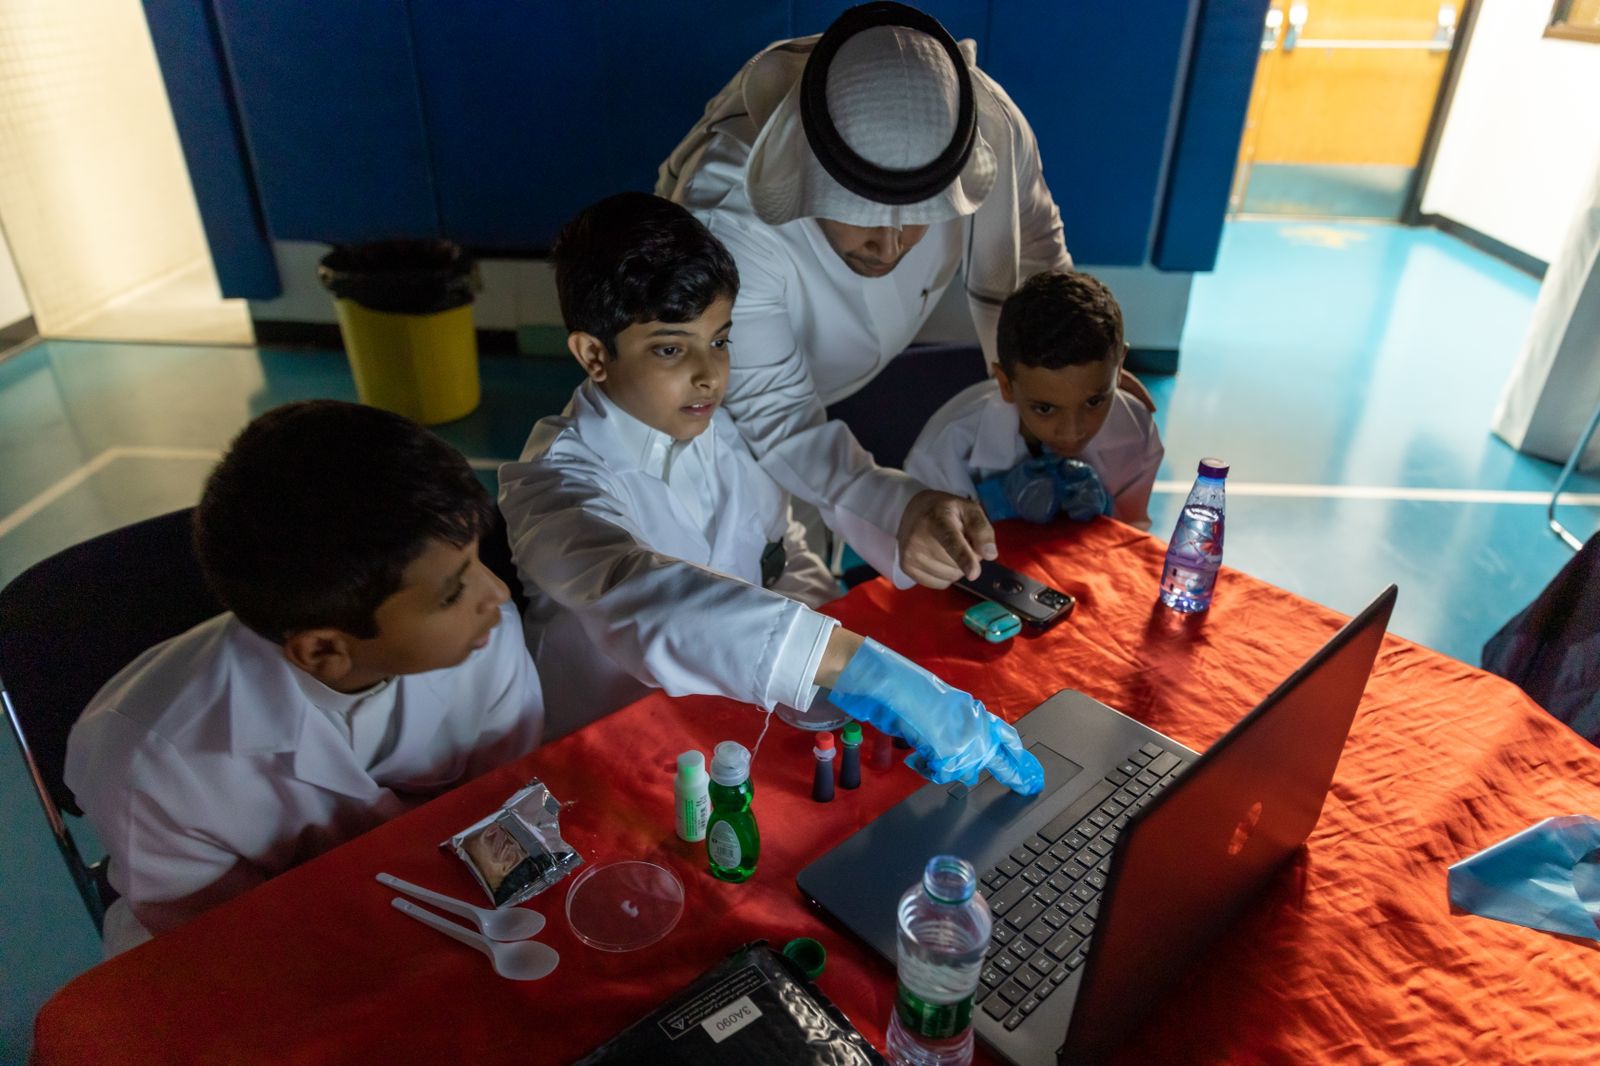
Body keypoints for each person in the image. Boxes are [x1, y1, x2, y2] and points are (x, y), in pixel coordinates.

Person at [498, 192, 1042, 799]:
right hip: (610, 767)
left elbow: (780, 556)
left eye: (721, 339)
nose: (710, 374)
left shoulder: (722, 427)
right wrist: (866, 670)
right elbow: (648, 598)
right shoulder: (551, 485)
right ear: (594, 353)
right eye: (671, 349)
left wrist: (836, 661)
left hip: (735, 732)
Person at [657, 2, 1150, 582]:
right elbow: (778, 418)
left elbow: (1035, 259)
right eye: (857, 217)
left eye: (921, 217)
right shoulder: (727, 216)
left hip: (847, 372)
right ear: (802, 176)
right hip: (732, 415)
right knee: (763, 566)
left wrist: (1068, 367)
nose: (889, 248)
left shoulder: (988, 127)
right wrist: (901, 506)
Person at [66, 401, 544, 957]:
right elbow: (221, 943)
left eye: (475, 559)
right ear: (323, 650)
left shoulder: (483, 633)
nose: (498, 594)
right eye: (453, 591)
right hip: (271, 949)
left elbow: (507, 805)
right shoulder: (154, 763)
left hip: (440, 900)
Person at [906, 270, 1163, 530]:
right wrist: (994, 508)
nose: (1072, 431)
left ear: (1119, 369)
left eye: (1094, 402)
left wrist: (1106, 515)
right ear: (1006, 384)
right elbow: (919, 558)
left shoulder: (1136, 430)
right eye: (1045, 408)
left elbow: (1131, 537)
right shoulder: (944, 452)